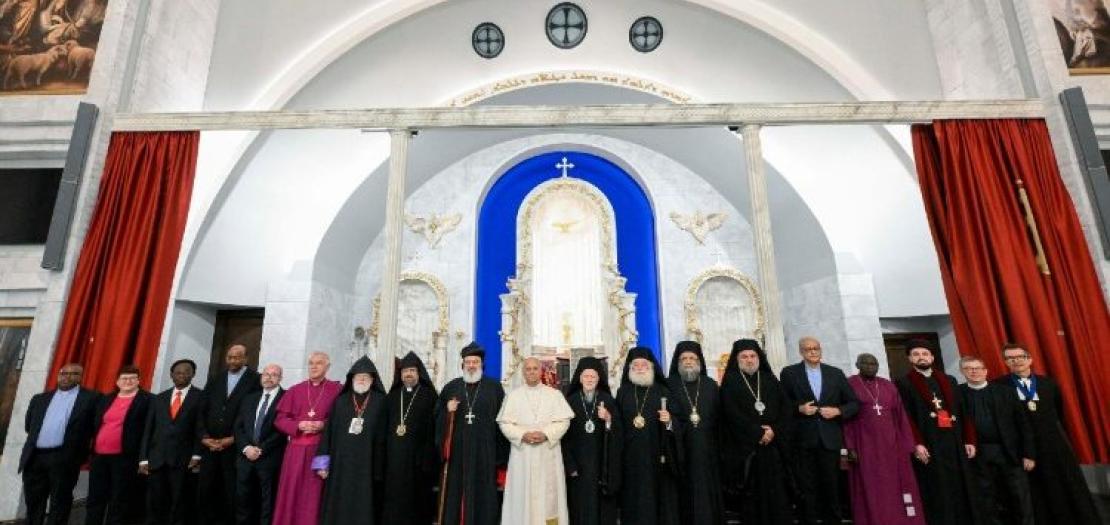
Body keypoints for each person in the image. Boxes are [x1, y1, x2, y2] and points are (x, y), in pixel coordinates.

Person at [997, 343, 1101, 525]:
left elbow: (1058, 412)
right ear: (1006, 362)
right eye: (1010, 358)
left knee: (1065, 484)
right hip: (1024, 448)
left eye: (1020, 356)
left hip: (1053, 443)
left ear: (1030, 359)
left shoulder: (1048, 383)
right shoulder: (999, 386)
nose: (1016, 361)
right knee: (1036, 491)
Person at [894, 339, 978, 525]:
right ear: (909, 358)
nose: (921, 357)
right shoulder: (903, 383)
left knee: (960, 486)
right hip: (929, 443)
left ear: (932, 357)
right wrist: (917, 443)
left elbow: (963, 412)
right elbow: (905, 417)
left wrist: (969, 440)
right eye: (916, 354)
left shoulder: (949, 380)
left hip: (954, 442)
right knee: (938, 489)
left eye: (925, 354)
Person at [778, 336, 858, 525]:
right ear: (801, 352)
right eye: (808, 349)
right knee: (807, 489)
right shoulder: (789, 373)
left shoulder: (835, 373)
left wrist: (838, 411)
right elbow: (782, 404)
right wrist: (799, 409)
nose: (813, 352)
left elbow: (853, 403)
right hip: (802, 441)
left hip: (830, 441)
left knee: (832, 488)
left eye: (816, 348)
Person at [842, 353, 925, 525]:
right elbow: (845, 420)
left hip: (893, 445)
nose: (870, 366)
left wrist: (908, 445)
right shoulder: (849, 384)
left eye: (874, 364)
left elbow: (901, 416)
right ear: (857, 365)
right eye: (866, 363)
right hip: (864, 445)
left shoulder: (888, 385)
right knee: (870, 487)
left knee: (899, 486)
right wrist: (849, 447)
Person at [718, 339, 794, 525]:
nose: (749, 360)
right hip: (747, 451)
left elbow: (786, 408)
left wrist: (773, 430)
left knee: (778, 496)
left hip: (773, 448)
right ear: (737, 359)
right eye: (744, 356)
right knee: (752, 499)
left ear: (759, 357)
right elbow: (730, 414)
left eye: (753, 356)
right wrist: (757, 433)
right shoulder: (730, 382)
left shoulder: (769, 379)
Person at [436, 342, 509, 525]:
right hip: (457, 455)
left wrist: (500, 458)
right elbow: (436, 419)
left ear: (481, 364)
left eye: (475, 362)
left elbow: (503, 421)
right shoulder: (451, 387)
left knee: (482, 498)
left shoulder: (494, 388)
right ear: (462, 365)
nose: (471, 365)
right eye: (468, 362)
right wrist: (447, 412)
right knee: (455, 494)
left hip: (485, 454)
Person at [956, 355, 1034, 525]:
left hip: (1009, 452)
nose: (974, 371)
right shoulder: (957, 394)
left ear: (985, 371)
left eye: (977, 368)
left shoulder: (1006, 392)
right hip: (977, 455)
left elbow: (1023, 424)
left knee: (1019, 496)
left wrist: (1029, 454)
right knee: (986, 499)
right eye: (969, 368)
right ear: (962, 372)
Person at [498, 357, 575, 525]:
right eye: (528, 369)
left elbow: (564, 421)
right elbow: (504, 423)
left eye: (535, 368)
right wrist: (522, 435)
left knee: (549, 500)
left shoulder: (554, 395)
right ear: (523, 372)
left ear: (541, 371)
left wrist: (546, 434)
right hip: (522, 455)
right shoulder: (513, 396)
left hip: (547, 454)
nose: (532, 372)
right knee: (521, 497)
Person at [20, 363, 99, 525]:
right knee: (34, 502)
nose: (66, 377)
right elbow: (29, 426)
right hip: (35, 457)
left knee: (60, 501)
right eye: (63, 373)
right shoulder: (39, 399)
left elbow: (95, 427)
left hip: (65, 457)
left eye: (73, 373)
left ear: (80, 377)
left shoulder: (92, 399)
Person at [314, 356, 388, 525]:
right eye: (358, 376)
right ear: (352, 379)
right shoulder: (340, 401)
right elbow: (328, 432)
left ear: (372, 380)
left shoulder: (381, 402)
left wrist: (380, 467)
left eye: (365, 377)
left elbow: (384, 436)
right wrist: (322, 464)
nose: (361, 379)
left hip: (368, 465)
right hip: (340, 465)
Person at [271, 352, 343, 525]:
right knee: (292, 493)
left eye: (319, 363)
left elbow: (342, 418)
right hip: (295, 451)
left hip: (320, 450)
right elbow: (280, 419)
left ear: (327, 367)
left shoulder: (337, 390)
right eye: (311, 363)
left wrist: (323, 425)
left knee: (313, 495)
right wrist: (298, 425)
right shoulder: (296, 390)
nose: (313, 366)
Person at [615, 346, 683, 525]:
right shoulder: (623, 393)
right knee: (633, 502)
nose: (639, 368)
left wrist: (669, 421)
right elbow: (616, 426)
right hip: (631, 459)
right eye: (635, 365)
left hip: (657, 458)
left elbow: (678, 421)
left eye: (643, 365)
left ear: (651, 367)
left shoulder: (662, 391)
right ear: (630, 369)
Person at [198, 344, 260, 525]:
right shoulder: (216, 378)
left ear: (246, 359)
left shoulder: (255, 380)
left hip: (236, 447)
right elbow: (202, 409)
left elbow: (253, 414)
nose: (232, 361)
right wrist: (204, 437)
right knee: (206, 490)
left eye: (237, 357)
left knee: (231, 491)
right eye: (229, 357)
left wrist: (234, 438)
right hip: (210, 446)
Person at [139, 359, 205, 525]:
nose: (182, 375)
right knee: (154, 502)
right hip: (157, 458)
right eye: (178, 372)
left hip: (184, 460)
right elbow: (149, 429)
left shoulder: (201, 397)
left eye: (186, 372)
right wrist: (143, 458)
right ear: (171, 375)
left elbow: (201, 428)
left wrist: (197, 454)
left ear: (193, 374)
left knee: (179, 503)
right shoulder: (159, 398)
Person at [86, 365, 153, 525]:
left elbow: (150, 430)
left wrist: (144, 457)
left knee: (119, 499)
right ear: (117, 381)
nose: (128, 381)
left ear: (139, 380)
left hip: (126, 458)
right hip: (99, 456)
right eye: (124, 378)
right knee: (95, 497)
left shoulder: (148, 400)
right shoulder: (106, 399)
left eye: (132, 378)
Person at [666, 341, 723, 525]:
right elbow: (668, 417)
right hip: (682, 451)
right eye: (684, 358)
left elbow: (719, 418)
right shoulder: (669, 385)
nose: (688, 361)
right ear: (678, 362)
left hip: (708, 451)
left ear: (699, 362)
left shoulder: (710, 385)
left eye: (692, 358)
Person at [381, 352, 440, 525]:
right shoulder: (391, 397)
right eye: (405, 371)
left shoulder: (430, 397)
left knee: (417, 503)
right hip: (394, 462)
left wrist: (428, 459)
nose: (408, 374)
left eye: (412, 370)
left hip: (418, 463)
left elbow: (434, 430)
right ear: (400, 374)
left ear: (419, 373)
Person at [561, 356, 621, 525]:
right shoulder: (570, 402)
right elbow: (563, 437)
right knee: (579, 508)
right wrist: (570, 465)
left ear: (598, 379)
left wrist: (609, 419)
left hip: (602, 467)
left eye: (593, 376)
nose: (589, 379)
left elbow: (619, 433)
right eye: (586, 376)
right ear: (580, 379)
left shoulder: (607, 400)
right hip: (578, 468)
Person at [233, 364, 285, 525]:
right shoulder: (249, 398)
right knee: (243, 500)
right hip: (245, 458)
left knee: (267, 502)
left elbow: (282, 429)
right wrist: (247, 448)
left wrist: (260, 449)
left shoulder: (286, 397)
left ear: (280, 378)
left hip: (269, 459)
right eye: (266, 374)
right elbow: (238, 427)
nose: (269, 377)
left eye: (274, 374)